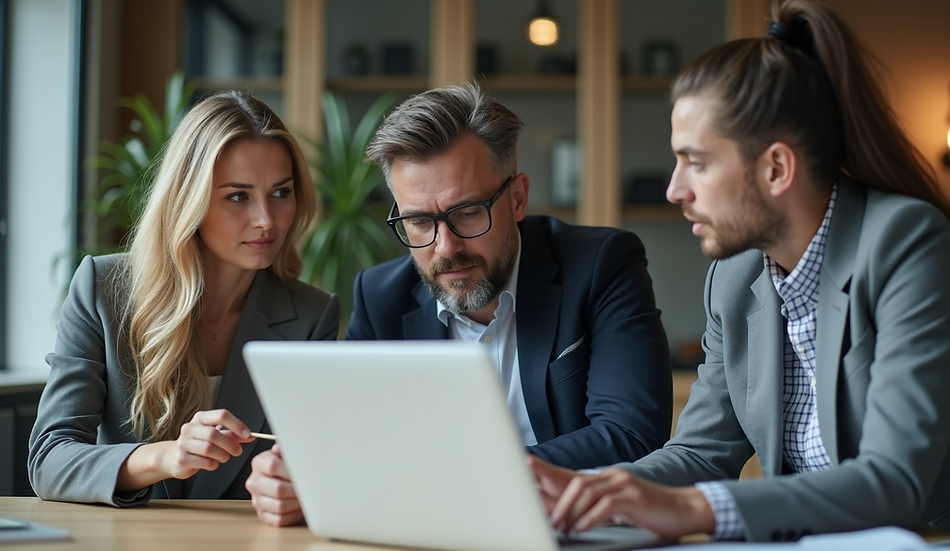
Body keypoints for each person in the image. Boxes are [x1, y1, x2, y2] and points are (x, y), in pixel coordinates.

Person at [532, 0, 950, 542]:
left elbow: (893, 482)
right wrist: (588, 490)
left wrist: (692, 509)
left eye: (696, 162)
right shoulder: (734, 279)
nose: (675, 189)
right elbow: (701, 451)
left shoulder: (905, 242)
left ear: (775, 168)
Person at [245, 82, 673, 526]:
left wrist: (459, 479)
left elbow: (630, 435)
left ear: (518, 197)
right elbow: (347, 444)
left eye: (467, 212)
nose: (445, 247)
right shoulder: (380, 297)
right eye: (418, 221)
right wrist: (297, 480)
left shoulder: (601, 264)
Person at [28, 91, 340, 506]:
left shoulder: (313, 317)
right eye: (237, 196)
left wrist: (298, 489)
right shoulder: (102, 288)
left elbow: (316, 467)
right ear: (187, 199)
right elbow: (50, 460)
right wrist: (166, 457)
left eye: (281, 193)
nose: (266, 219)